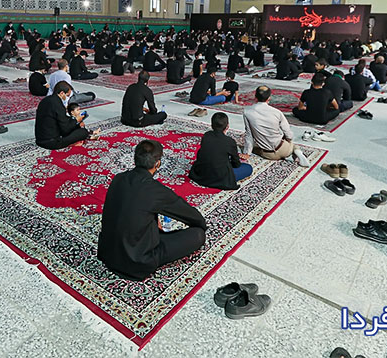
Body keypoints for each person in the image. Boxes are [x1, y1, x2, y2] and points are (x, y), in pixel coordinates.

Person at [97, 140, 207, 281]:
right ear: (158, 164)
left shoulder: (118, 178)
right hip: (137, 261)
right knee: (198, 235)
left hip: (108, 253)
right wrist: (201, 225)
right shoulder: (155, 190)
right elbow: (190, 215)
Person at [242, 86, 310, 166]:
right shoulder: (277, 112)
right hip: (283, 149)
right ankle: (297, 153)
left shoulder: (247, 111)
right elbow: (289, 135)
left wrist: (247, 153)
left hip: (268, 154)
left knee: (255, 148)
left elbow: (249, 135)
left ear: (255, 97)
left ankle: (290, 153)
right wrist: (287, 140)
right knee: (293, 145)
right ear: (269, 98)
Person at [189, 112, 252, 190]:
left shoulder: (206, 135)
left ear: (211, 125)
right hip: (221, 178)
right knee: (248, 168)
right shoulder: (230, 141)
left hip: (202, 174)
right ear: (227, 126)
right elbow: (236, 164)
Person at [35, 81, 91, 149]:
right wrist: (76, 120)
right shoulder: (58, 104)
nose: (67, 98)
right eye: (67, 95)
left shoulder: (45, 100)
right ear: (62, 93)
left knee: (74, 125)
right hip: (52, 142)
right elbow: (65, 130)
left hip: (39, 140)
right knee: (83, 132)